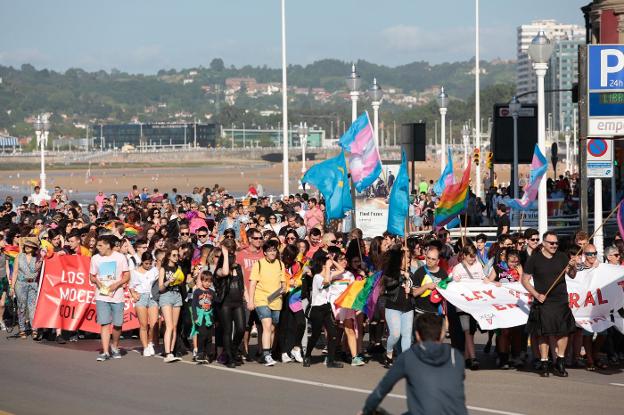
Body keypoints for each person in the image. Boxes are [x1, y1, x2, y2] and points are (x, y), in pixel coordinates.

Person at [360, 313, 467, 415]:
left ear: (417, 335)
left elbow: (382, 389)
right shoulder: (455, 356)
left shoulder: (409, 356)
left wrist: (366, 410)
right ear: (442, 334)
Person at [522, 231, 577, 377]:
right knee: (543, 335)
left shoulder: (562, 256)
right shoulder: (534, 259)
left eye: (556, 243)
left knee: (563, 332)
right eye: (551, 243)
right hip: (543, 301)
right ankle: (545, 362)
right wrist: (536, 294)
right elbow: (525, 280)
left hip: (560, 300)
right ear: (544, 243)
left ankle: (560, 360)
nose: (554, 245)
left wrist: (573, 266)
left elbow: (572, 275)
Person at [89, 235, 130, 361]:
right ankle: (105, 351)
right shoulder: (95, 258)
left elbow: (127, 276)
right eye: (97, 245)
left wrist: (116, 284)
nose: (98, 247)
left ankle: (115, 346)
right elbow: (91, 276)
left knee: (117, 324)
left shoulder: (120, 257)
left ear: (108, 245)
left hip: (117, 295)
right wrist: (97, 282)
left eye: (100, 245)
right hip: (102, 295)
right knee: (105, 323)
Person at [248, 239, 286, 366]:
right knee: (267, 325)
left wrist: (283, 288)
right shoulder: (258, 264)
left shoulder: (280, 264)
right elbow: (253, 283)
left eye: (274, 250)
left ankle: (267, 352)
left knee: (273, 328)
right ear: (264, 253)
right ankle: (266, 355)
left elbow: (283, 283)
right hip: (261, 298)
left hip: (276, 300)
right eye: (269, 251)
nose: (272, 253)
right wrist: (251, 300)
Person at [303, 251, 343, 368]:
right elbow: (325, 282)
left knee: (333, 334)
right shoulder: (317, 277)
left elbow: (341, 270)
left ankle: (330, 360)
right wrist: (328, 267)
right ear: (322, 265)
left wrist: (333, 260)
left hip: (326, 307)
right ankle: (307, 355)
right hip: (316, 309)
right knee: (315, 334)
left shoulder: (327, 274)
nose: (329, 265)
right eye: (326, 263)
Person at [449, 245, 485, 370]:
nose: (472, 259)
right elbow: (453, 286)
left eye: (474, 256)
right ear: (464, 255)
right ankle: (473, 358)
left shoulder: (478, 265)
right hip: (463, 304)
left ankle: (466, 357)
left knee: (471, 331)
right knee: (467, 330)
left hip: (475, 304)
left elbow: (483, 280)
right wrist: (455, 280)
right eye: (470, 256)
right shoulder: (457, 268)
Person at [382, 245, 416, 368]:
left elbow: (414, 288)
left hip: (408, 307)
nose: (408, 260)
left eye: (410, 258)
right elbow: (388, 284)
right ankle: (389, 353)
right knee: (395, 334)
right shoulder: (390, 272)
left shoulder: (411, 273)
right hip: (393, 306)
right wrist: (401, 276)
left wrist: (410, 290)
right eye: (406, 257)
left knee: (407, 335)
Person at [215, 238, 246, 368]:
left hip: (238, 302)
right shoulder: (218, 270)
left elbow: (243, 285)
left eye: (233, 253)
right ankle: (230, 357)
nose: (233, 256)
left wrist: (248, 299)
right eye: (230, 254)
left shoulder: (238, 268)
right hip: (225, 303)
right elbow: (226, 272)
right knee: (227, 330)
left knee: (241, 328)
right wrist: (225, 254)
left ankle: (231, 351)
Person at [10, 239, 43, 339]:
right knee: (22, 307)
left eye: (30, 245)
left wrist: (41, 257)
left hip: (33, 284)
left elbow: (35, 270)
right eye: (26, 245)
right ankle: (22, 328)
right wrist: (12, 287)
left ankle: (34, 329)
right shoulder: (19, 257)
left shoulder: (38, 258)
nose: (27, 247)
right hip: (20, 284)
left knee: (33, 308)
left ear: (34, 248)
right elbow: (15, 272)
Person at [129, 251, 159, 357]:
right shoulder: (135, 272)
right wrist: (133, 294)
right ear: (142, 262)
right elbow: (131, 286)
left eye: (150, 263)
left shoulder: (154, 270)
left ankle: (150, 342)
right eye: (146, 263)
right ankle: (145, 347)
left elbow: (157, 283)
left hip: (152, 297)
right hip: (141, 297)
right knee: (143, 325)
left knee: (154, 324)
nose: (148, 265)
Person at [158, 247, 184, 363]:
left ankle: (172, 351)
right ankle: (167, 353)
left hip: (177, 295)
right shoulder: (163, 268)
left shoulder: (179, 267)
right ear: (168, 256)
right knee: (168, 325)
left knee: (174, 326)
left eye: (177, 255)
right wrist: (169, 281)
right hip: (166, 295)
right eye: (174, 255)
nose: (176, 257)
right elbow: (160, 287)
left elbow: (183, 282)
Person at [191, 270, 216, 364]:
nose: (207, 283)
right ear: (201, 281)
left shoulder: (212, 292)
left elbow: (214, 305)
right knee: (202, 335)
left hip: (209, 317)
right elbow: (193, 305)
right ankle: (200, 353)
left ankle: (208, 353)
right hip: (200, 317)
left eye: (209, 281)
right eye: (205, 281)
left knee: (209, 336)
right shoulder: (197, 292)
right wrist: (195, 317)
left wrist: (215, 319)